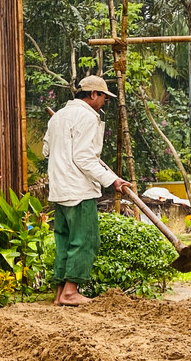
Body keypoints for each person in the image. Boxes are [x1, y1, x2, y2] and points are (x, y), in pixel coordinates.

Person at [43, 75, 130, 307]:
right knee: (85, 240)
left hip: (59, 189)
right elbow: (84, 157)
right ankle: (71, 292)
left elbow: (46, 150)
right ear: (93, 94)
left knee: (64, 241)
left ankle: (60, 293)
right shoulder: (88, 116)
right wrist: (113, 180)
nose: (104, 101)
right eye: (103, 96)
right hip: (79, 190)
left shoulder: (58, 117)